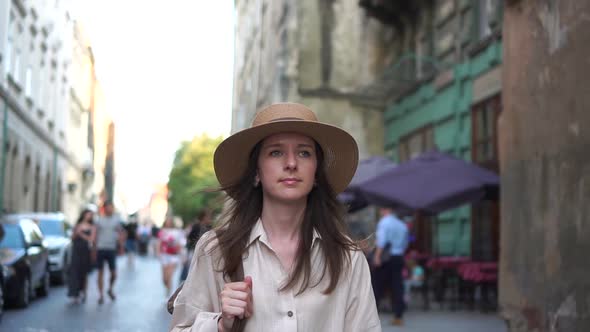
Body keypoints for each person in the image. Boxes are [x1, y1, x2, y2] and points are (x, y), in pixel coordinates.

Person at [170, 103, 380, 332]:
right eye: (276, 152)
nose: (291, 164)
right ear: (257, 172)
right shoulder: (216, 250)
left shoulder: (348, 258)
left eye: (304, 152)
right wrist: (220, 324)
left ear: (317, 172)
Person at [371, 206, 408, 326]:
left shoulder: (384, 222)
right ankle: (398, 316)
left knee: (377, 285)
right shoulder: (402, 224)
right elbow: (405, 243)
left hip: (386, 258)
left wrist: (377, 256)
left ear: (385, 209)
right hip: (398, 256)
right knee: (397, 286)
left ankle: (371, 315)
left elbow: (381, 241)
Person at [95, 200, 125, 304]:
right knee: (100, 272)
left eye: (111, 207)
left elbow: (121, 233)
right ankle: (100, 295)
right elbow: (95, 234)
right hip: (101, 248)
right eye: (107, 207)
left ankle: (110, 289)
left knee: (114, 274)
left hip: (111, 249)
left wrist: (121, 246)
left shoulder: (116, 220)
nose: (109, 209)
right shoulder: (99, 220)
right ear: (105, 208)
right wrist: (93, 249)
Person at [67, 209, 96, 303]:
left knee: (84, 273)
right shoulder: (77, 225)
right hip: (76, 251)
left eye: (90, 215)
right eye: (88, 214)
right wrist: (76, 232)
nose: (89, 216)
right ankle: (74, 294)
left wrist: (81, 234)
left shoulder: (92, 227)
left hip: (85, 251)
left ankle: (84, 292)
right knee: (74, 271)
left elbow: (91, 239)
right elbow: (72, 238)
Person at [180, 209, 213, 282]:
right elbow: (189, 238)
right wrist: (188, 251)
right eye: (208, 217)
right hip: (193, 250)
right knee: (192, 268)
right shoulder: (196, 226)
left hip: (205, 252)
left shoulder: (210, 227)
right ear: (203, 217)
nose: (209, 218)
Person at [158, 217, 185, 297]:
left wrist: (182, 255)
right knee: (164, 279)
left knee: (169, 277)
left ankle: (168, 295)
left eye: (170, 221)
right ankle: (167, 289)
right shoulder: (162, 231)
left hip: (174, 257)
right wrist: (158, 252)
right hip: (164, 256)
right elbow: (159, 242)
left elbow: (180, 244)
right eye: (167, 221)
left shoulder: (177, 232)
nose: (168, 223)